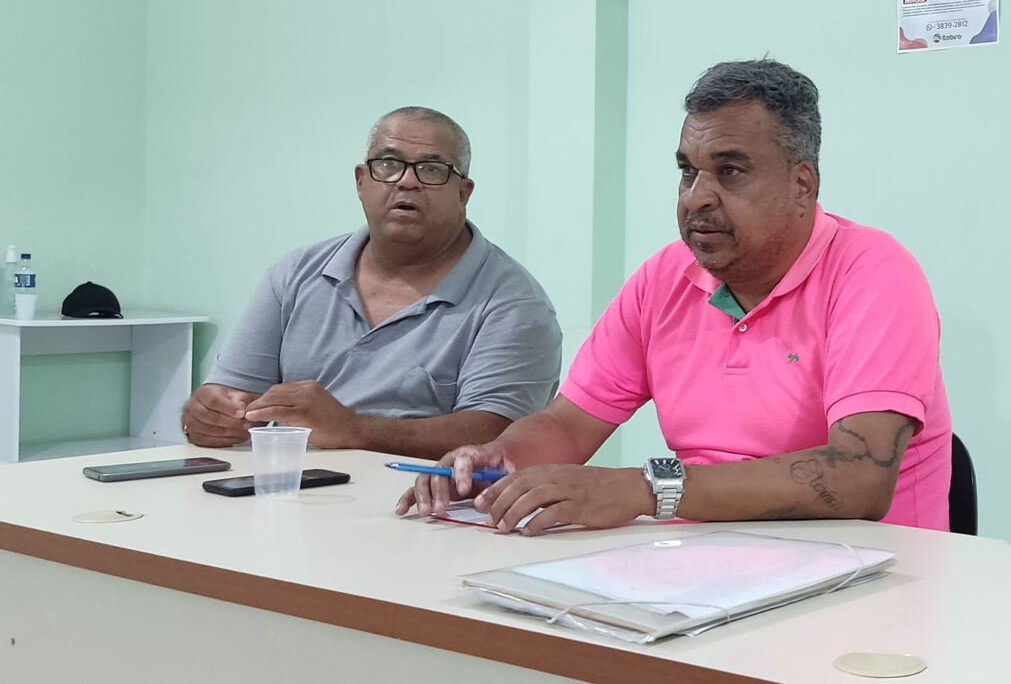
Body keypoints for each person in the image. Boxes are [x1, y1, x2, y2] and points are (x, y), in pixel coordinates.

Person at [398, 60, 953, 534]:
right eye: (688, 172)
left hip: (867, 578)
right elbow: (568, 425)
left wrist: (647, 489)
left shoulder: (873, 272)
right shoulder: (665, 277)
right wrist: (499, 458)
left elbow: (858, 477)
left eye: (730, 172)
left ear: (801, 185)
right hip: (702, 568)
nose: (696, 198)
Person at [182, 106, 561, 460]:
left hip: (422, 501)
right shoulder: (296, 274)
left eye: (432, 170)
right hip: (284, 489)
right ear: (361, 182)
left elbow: (495, 435)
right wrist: (209, 416)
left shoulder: (513, 302)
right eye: (389, 164)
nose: (407, 181)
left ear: (463, 194)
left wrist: (354, 430)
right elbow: (232, 396)